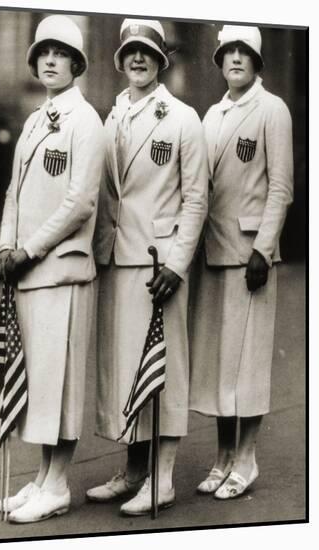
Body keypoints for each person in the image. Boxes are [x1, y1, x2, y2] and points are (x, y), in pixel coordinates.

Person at [87, 18, 208, 515]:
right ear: (120, 60)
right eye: (130, 51)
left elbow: (197, 199)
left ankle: (164, 478)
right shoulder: (112, 118)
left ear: (161, 60)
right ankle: (135, 470)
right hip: (117, 258)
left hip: (159, 263)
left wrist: (178, 264)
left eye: (147, 52)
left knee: (165, 369)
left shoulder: (182, 118)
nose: (138, 59)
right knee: (125, 370)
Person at [0, 14, 105, 523]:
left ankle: (58, 484)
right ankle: (41, 478)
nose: (51, 61)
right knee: (38, 377)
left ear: (77, 64)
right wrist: (3, 246)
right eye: (44, 53)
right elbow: (15, 192)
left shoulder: (85, 120)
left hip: (60, 267)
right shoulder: (36, 120)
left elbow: (80, 202)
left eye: (61, 54)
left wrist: (29, 249)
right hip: (28, 269)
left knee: (59, 381)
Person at [189, 25, 293, 499]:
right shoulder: (212, 114)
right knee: (219, 363)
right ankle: (223, 457)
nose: (234, 58)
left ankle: (246, 460)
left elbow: (281, 187)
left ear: (256, 61)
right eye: (227, 51)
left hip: (249, 255)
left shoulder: (272, 110)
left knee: (246, 363)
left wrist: (263, 249)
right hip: (212, 252)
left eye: (243, 52)